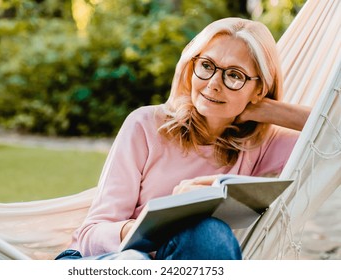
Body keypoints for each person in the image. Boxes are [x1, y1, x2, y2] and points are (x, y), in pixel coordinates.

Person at [55, 17, 311, 260]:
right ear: (191, 66)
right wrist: (162, 219)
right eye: (207, 66)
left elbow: (333, 141)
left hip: (186, 259)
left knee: (209, 232)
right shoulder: (146, 125)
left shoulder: (261, 144)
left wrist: (270, 110)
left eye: (234, 75)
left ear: (259, 88)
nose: (213, 84)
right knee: (148, 255)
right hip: (102, 260)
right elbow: (92, 234)